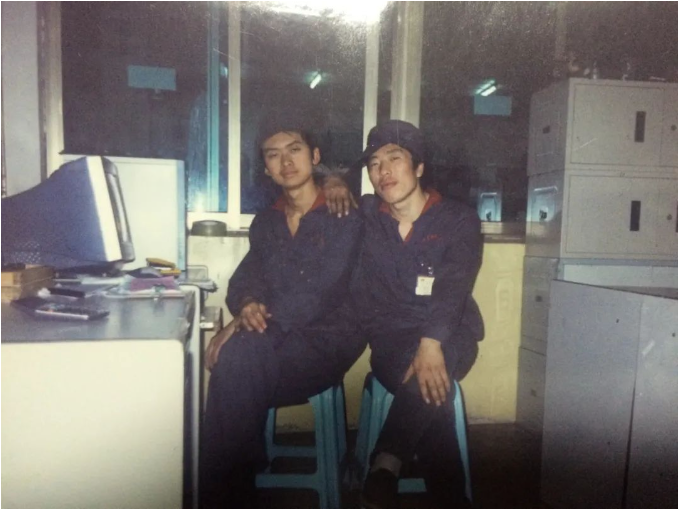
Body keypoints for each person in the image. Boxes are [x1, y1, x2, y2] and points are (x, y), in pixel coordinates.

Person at [199, 124, 365, 509]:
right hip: (275, 337)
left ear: (315, 157)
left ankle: (222, 489)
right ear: (266, 168)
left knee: (236, 363)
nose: (286, 161)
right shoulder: (266, 222)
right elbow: (246, 277)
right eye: (273, 155)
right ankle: (232, 483)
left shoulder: (344, 214)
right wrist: (247, 305)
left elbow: (320, 292)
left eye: (295, 149)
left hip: (327, 340)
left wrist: (237, 325)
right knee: (240, 362)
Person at [349, 120, 484, 509]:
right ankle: (449, 499)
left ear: (419, 166)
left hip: (451, 331)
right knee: (432, 388)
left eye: (395, 158)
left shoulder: (458, 219)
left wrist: (430, 343)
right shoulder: (368, 215)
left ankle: (386, 463)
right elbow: (324, 192)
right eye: (374, 164)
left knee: (430, 371)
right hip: (392, 338)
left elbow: (454, 285)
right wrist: (336, 183)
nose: (383, 171)